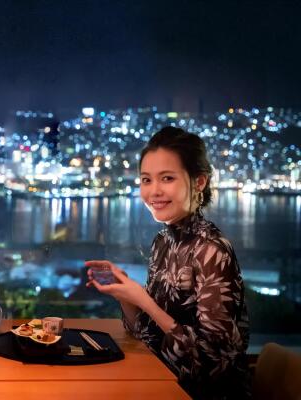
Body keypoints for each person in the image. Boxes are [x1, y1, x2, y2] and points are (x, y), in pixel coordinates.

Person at [86, 127, 250, 399]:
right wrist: (125, 294)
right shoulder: (164, 242)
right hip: (160, 382)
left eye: (167, 178)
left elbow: (212, 363)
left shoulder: (212, 250)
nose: (154, 191)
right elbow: (147, 336)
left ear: (199, 182)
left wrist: (145, 301)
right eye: (146, 180)